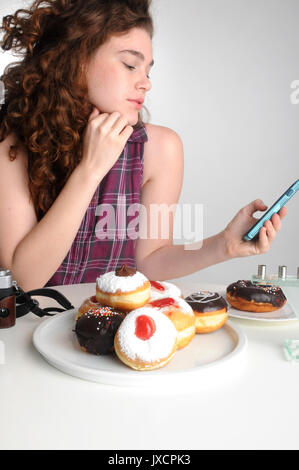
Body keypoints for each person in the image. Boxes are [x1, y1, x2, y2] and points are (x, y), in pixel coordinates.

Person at [0, 0, 286, 292]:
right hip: (30, 331)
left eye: (147, 70)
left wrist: (224, 244)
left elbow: (149, 262)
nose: (145, 83)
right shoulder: (13, 144)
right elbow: (22, 280)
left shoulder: (160, 149)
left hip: (113, 329)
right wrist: (90, 170)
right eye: (130, 65)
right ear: (75, 60)